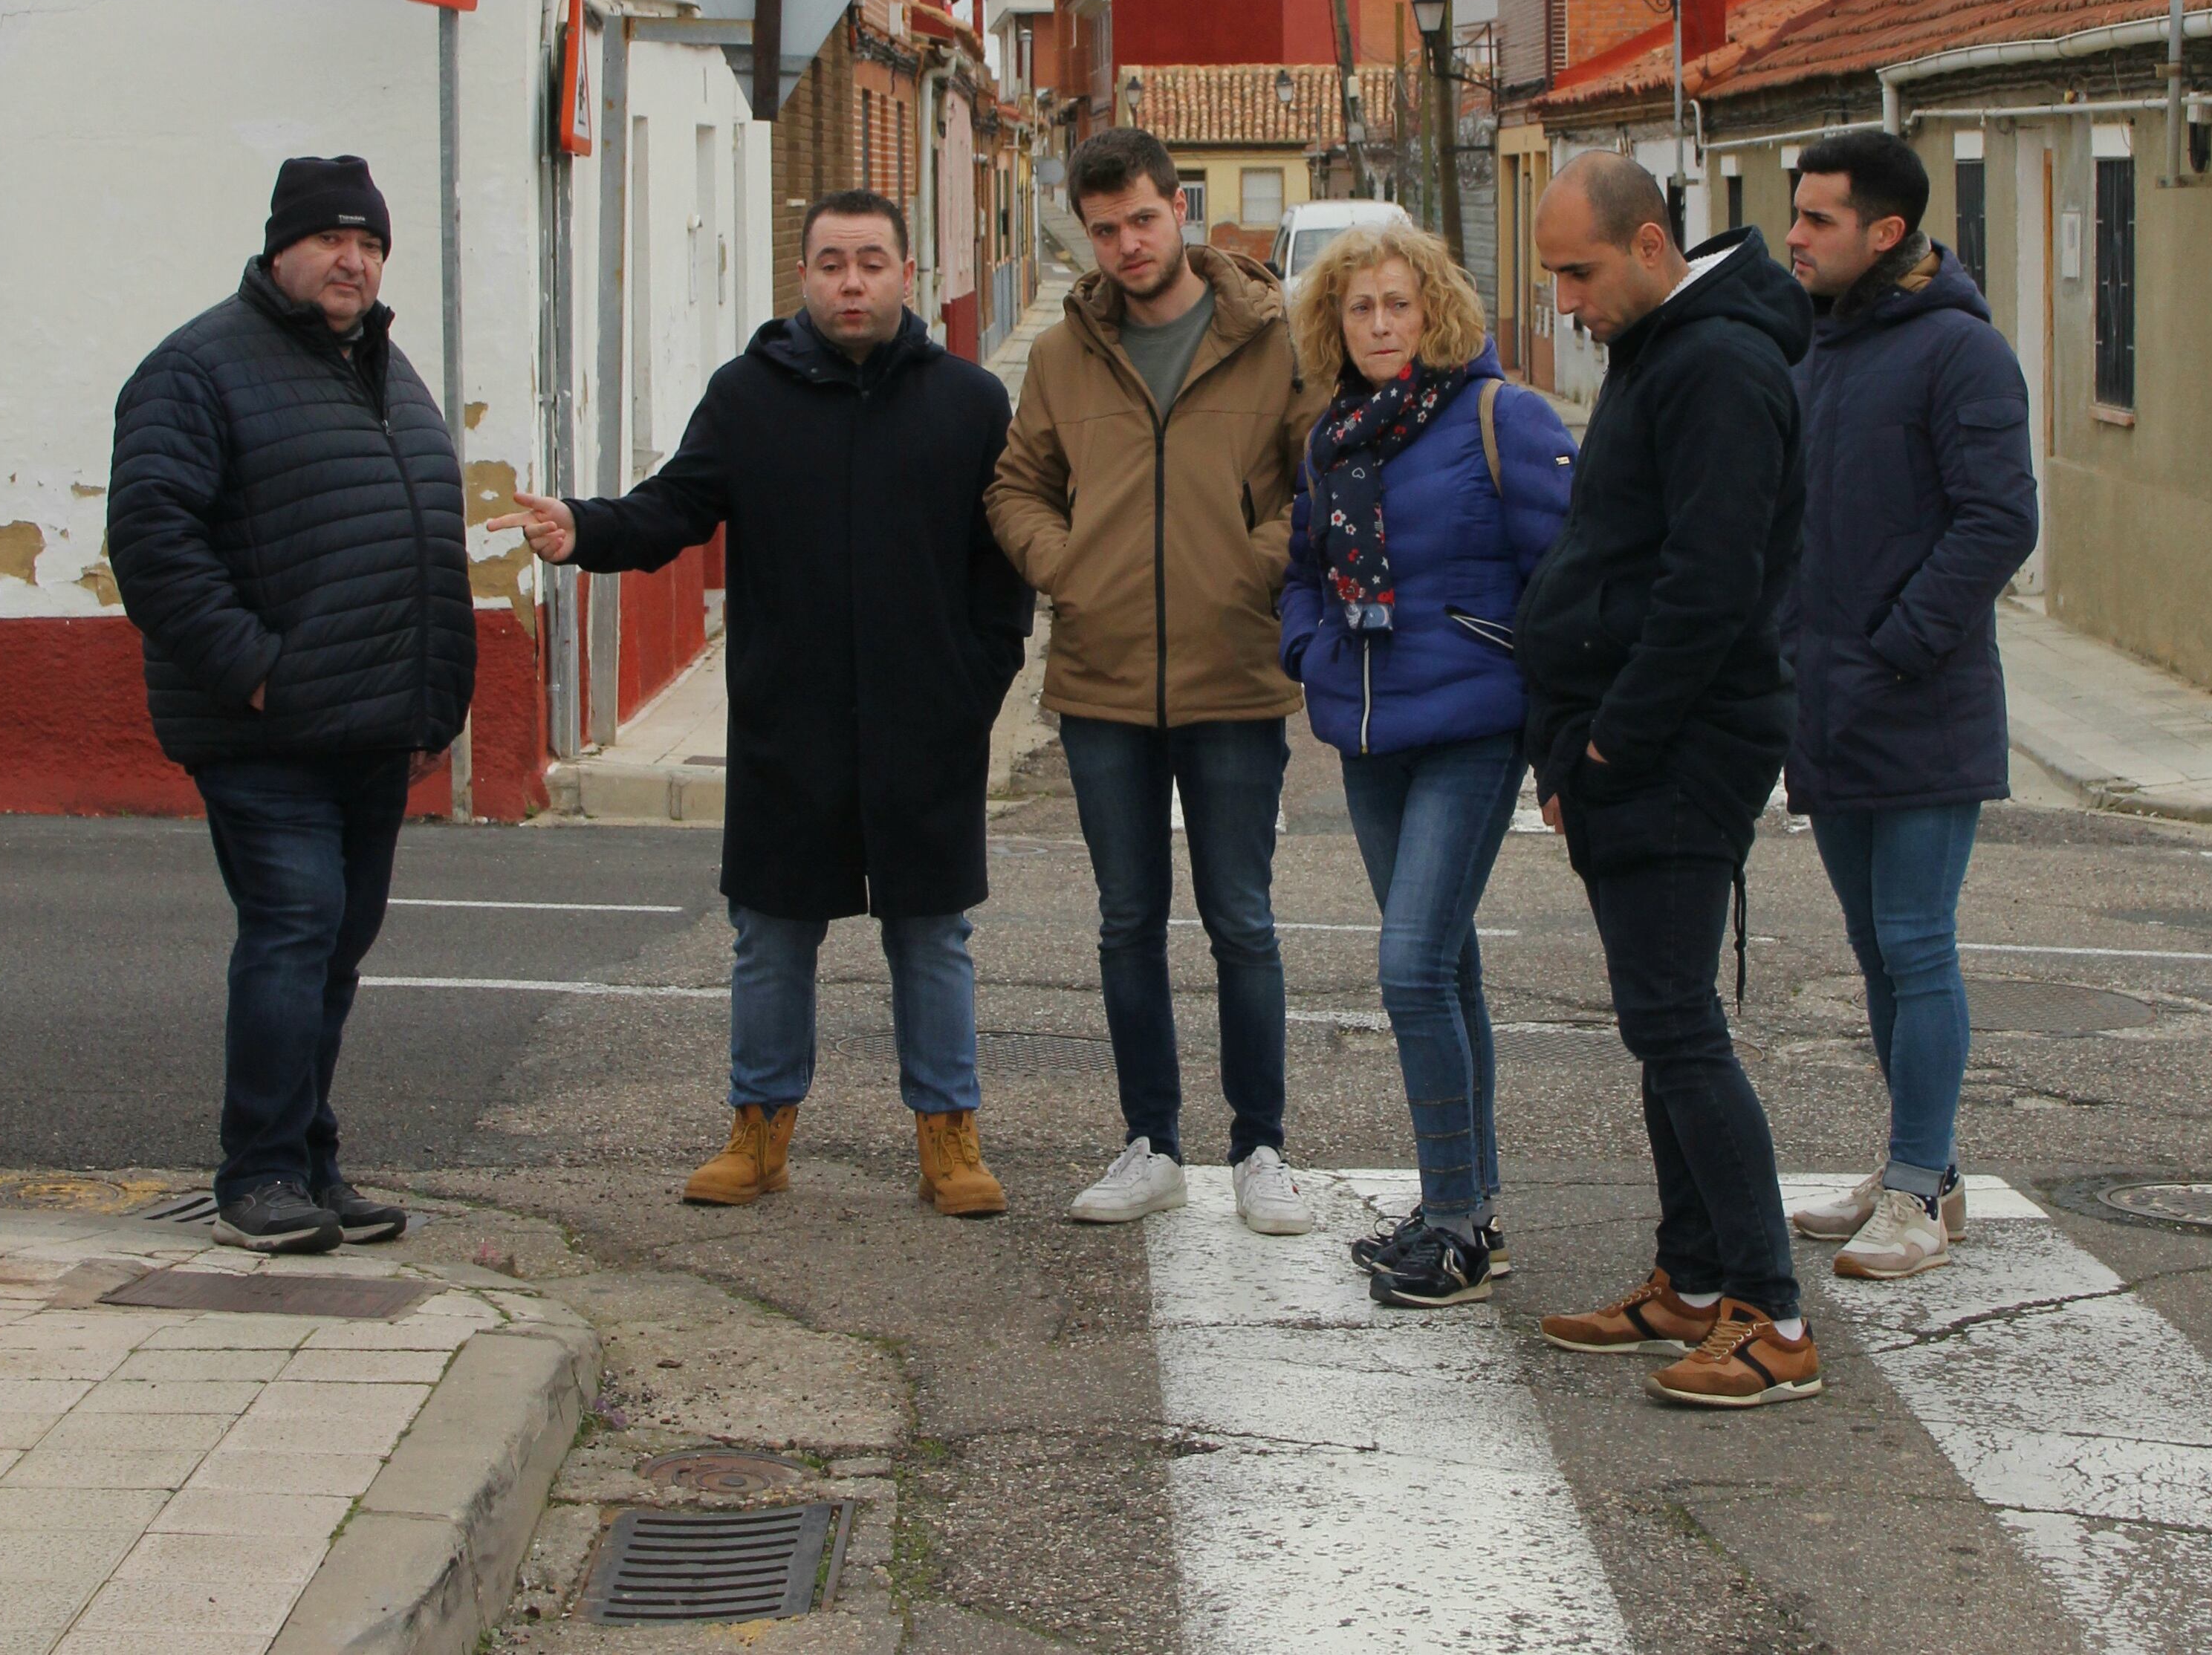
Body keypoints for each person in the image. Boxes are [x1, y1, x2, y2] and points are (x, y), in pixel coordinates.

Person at [487, 189, 1032, 1219]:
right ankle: (759, 1133)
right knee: (771, 936)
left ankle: (949, 1139)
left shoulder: (968, 402)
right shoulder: (749, 394)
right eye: (831, 263)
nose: (852, 281)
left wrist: (976, 687)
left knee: (933, 934)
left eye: (871, 261)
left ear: (907, 274)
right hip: (794, 722)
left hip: (928, 723)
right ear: (803, 277)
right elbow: (675, 507)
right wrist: (584, 529)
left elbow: (998, 570)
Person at [108, 155, 476, 1253]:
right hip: (263, 728)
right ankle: (256, 1175)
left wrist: (431, 704)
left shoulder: (382, 366)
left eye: (369, 244)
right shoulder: (195, 370)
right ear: (281, 247)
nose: (352, 259)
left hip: (370, 725)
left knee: (337, 943)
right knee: (294, 927)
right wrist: (258, 671)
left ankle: (309, 1164)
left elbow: (419, 539)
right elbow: (153, 543)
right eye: (330, 239)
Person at [1516, 154, 1823, 1408]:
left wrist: (1609, 745)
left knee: (1680, 1029)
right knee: (1662, 1017)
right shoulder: (1665, 344)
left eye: (1579, 274)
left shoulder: (1718, 365)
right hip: (1633, 734)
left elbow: (1711, 586)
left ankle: (1770, 1315)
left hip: (1678, 744)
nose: (1567, 306)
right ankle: (1692, 1285)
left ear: (1650, 246)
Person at [987, 128, 1323, 1235]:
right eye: (1104, 230)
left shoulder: (1275, 341)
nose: (1128, 245)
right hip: (1103, 679)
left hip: (1234, 672)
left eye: (1142, 219)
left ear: (1180, 210)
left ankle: (1262, 1147)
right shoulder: (1062, 353)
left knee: (1242, 919)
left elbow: (1317, 487)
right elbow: (1016, 486)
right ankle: (1152, 1143)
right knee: (1127, 920)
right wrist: (1065, 567)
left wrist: (1251, 566)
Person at [1277, 221, 1572, 1307]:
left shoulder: (1502, 417)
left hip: (1471, 727)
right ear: (1334, 325)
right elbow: (1304, 567)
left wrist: (1555, 720)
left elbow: (1568, 569)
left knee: (1409, 968)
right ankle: (1471, 1208)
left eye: (1400, 303)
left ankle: (1448, 1217)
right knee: (1447, 970)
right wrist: (1305, 647)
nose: (1383, 324)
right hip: (1368, 733)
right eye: (1361, 308)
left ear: (1436, 306)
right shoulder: (1335, 437)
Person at [1779, 131, 2037, 1278]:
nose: (1795, 235)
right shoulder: (1814, 345)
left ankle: (1921, 1191)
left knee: (1919, 945)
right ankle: (1912, 1169)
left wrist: (1896, 646)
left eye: (1819, 220)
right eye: (1797, 214)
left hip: (1920, 702)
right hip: (1827, 703)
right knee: (1876, 954)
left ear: (1885, 233)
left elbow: (2000, 520)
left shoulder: (1960, 354)